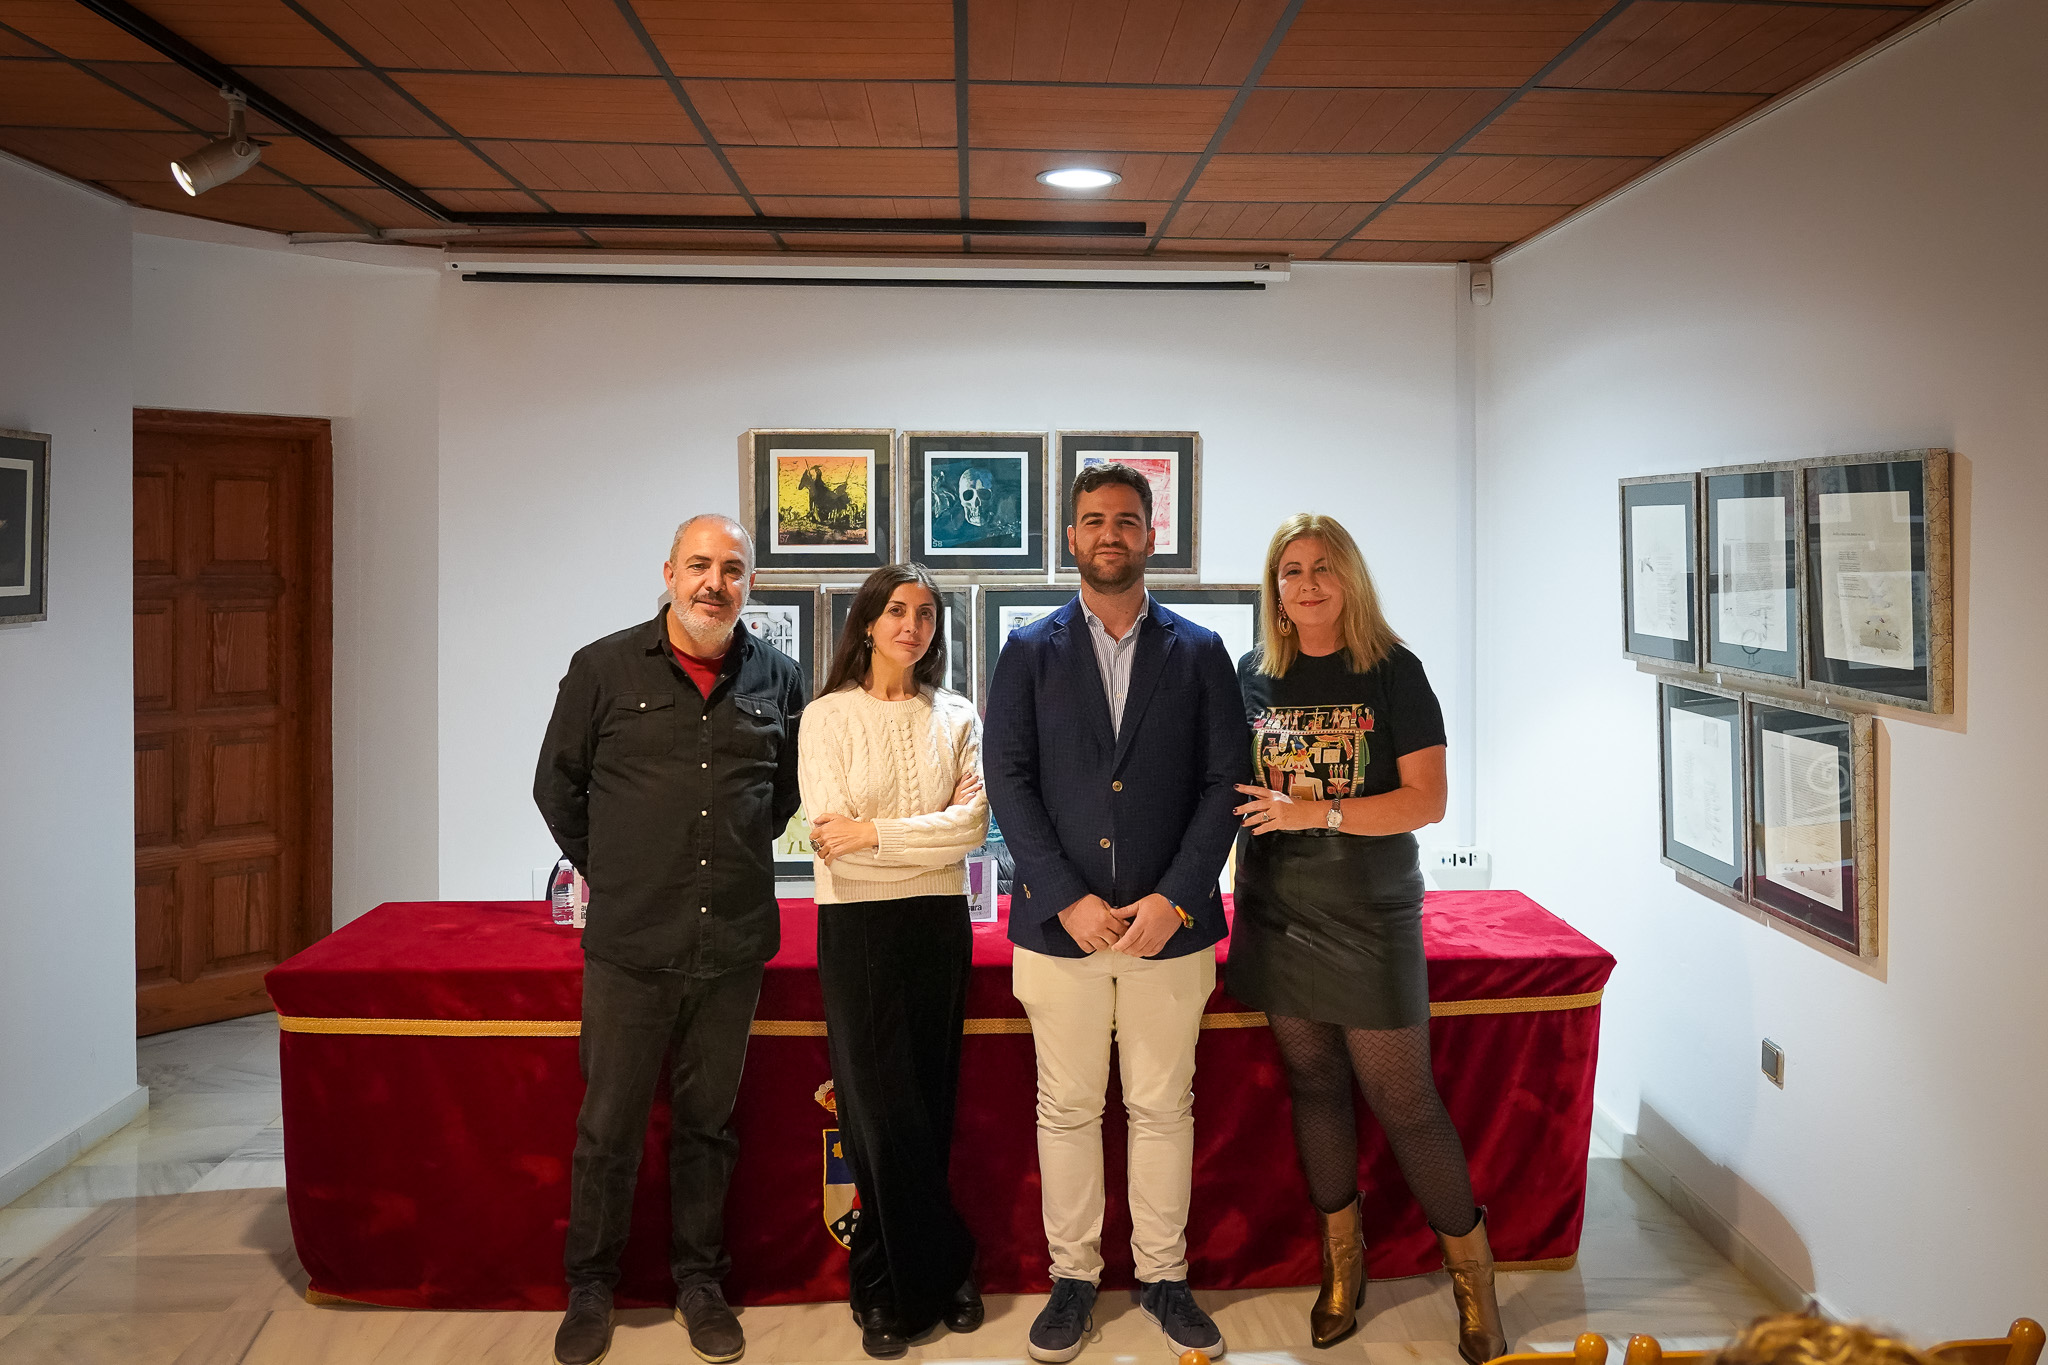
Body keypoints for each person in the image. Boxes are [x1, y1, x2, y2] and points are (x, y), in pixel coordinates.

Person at [984, 462, 1250, 1364]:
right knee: (1065, 1107)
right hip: (1059, 929)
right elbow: (1008, 779)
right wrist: (1066, 895)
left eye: (1127, 520)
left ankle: (1164, 1278)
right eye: (1094, 519)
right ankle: (1073, 1279)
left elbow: (1224, 782)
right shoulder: (1027, 649)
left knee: (1162, 1106)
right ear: (1071, 536)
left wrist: (1177, 898)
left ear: (1150, 536)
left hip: (1168, 931)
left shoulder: (1201, 651)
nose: (1110, 533)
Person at [534, 514, 807, 1365]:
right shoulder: (603, 667)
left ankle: (700, 1282)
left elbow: (785, 795)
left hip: (732, 945)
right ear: (668, 573)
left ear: (749, 584)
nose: (713, 583)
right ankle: (591, 1286)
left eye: (732, 569)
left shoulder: (780, 677)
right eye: (698, 565)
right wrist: (620, 870)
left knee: (708, 1128)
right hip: (631, 945)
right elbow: (556, 786)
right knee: (608, 1128)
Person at [1227, 513, 1500, 1361]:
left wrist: (1315, 810)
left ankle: (1474, 1280)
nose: (1307, 583)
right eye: (1291, 570)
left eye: (1323, 567)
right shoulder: (1251, 673)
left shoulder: (1394, 670)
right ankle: (1343, 1268)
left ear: (1350, 578)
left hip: (1371, 912)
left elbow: (1427, 800)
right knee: (1314, 1084)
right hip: (1277, 908)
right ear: (1275, 588)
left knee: (1405, 1098)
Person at [798, 561, 990, 1358]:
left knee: (930, 1102)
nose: (913, 626)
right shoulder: (825, 716)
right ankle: (931, 1268)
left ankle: (890, 1280)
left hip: (939, 922)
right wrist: (917, 836)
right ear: (869, 622)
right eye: (898, 611)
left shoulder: (957, 713)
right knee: (879, 1114)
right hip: (858, 925)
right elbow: (829, 836)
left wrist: (876, 833)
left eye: (926, 613)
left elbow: (972, 827)